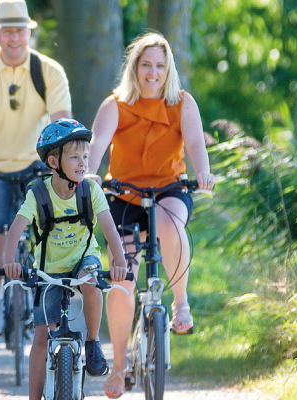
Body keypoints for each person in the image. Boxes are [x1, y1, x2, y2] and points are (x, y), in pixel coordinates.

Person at [85, 32, 215, 398]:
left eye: (160, 65)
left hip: (168, 189)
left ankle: (181, 304)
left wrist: (202, 172)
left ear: (168, 68)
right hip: (122, 194)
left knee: (170, 224)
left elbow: (194, 143)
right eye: (146, 65)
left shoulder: (182, 103)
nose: (153, 72)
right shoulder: (116, 104)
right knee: (121, 283)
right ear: (135, 68)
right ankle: (119, 366)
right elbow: (96, 143)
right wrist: (89, 174)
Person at [0, 0, 72, 343]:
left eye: (20, 30)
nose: (14, 37)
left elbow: (61, 121)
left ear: (28, 32)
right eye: (7, 31)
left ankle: (50, 308)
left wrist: (66, 163)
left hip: (37, 167)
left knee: (49, 238)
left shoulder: (49, 71)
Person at [2, 119, 128, 400]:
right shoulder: (38, 193)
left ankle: (93, 340)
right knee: (40, 337)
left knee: (92, 282)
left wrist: (118, 260)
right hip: (48, 269)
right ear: (53, 161)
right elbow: (16, 228)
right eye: (74, 157)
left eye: (85, 156)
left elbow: (108, 226)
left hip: (84, 257)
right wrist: (10, 261)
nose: (83, 163)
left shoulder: (90, 190)